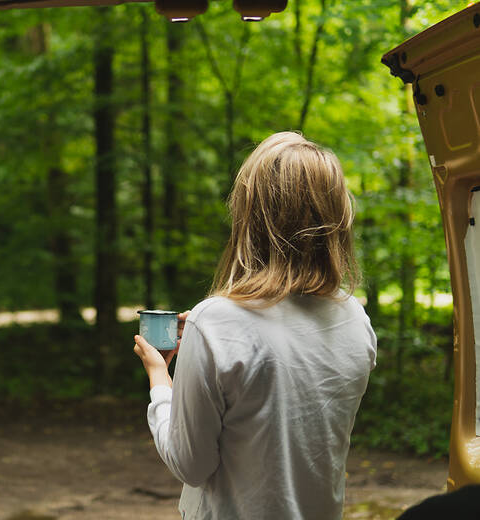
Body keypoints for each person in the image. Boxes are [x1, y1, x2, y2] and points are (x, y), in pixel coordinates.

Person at [133, 131, 377, 520]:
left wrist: (160, 378)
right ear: (336, 217)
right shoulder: (355, 320)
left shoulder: (215, 321)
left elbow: (190, 465)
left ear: (250, 215)